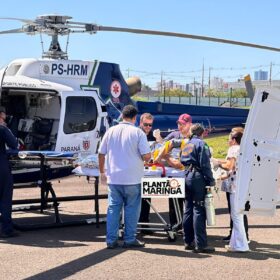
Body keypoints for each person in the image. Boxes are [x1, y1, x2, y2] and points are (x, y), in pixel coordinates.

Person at [155, 117, 216, 253]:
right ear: (202, 133)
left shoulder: (186, 143)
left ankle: (188, 241)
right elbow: (205, 164)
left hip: (187, 175)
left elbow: (180, 156)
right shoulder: (201, 144)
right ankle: (201, 244)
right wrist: (211, 180)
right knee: (198, 209)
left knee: (188, 209)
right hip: (197, 177)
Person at [98, 105, 151, 249]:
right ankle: (129, 239)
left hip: (114, 177)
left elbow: (101, 153)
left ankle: (111, 240)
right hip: (132, 178)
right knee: (132, 209)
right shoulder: (138, 133)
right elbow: (146, 156)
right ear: (135, 118)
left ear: (122, 116)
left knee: (113, 209)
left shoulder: (110, 131)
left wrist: (102, 172)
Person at [216, 130, 249, 252]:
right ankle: (235, 243)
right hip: (241, 186)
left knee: (236, 216)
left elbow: (229, 166)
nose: (228, 141)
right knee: (238, 215)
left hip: (234, 187)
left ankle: (242, 245)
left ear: (234, 140)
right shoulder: (243, 149)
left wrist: (217, 163)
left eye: (229, 138)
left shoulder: (233, 149)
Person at [0, 106, 18, 238]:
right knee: (5, 198)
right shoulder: (2, 129)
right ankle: (7, 229)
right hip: (2, 167)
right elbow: (14, 144)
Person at [138, 113, 155, 233]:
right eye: (146, 125)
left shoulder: (151, 137)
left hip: (148, 172)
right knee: (136, 199)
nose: (148, 127)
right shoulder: (137, 135)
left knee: (146, 197)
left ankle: (144, 223)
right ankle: (136, 225)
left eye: (150, 125)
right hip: (136, 172)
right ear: (140, 123)